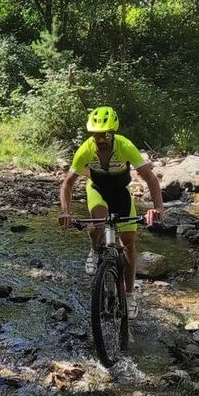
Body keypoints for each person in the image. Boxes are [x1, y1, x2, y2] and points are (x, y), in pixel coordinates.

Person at [58, 106, 164, 310]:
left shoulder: (125, 146)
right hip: (97, 189)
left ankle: (130, 295)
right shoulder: (85, 149)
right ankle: (94, 250)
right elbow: (67, 184)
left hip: (120, 192)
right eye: (97, 135)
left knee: (128, 243)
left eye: (106, 134)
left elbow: (149, 177)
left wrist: (158, 207)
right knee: (99, 221)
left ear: (113, 133)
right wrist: (65, 211)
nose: (101, 139)